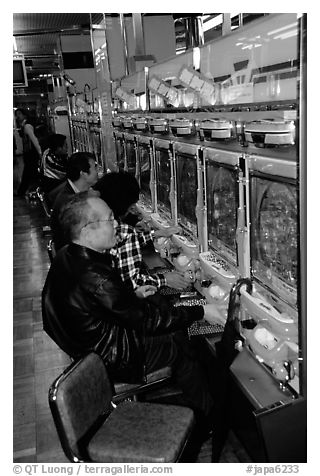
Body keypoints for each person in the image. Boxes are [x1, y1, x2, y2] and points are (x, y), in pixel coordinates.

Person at [42, 192, 225, 432]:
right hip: (110, 358)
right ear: (87, 232)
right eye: (110, 220)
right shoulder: (97, 276)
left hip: (86, 348)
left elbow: (97, 304)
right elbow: (148, 321)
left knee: (165, 315)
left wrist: (132, 296)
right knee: (180, 343)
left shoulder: (67, 255)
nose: (117, 223)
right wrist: (201, 312)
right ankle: (208, 420)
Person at [95, 171, 190, 291]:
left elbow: (119, 246)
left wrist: (155, 234)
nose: (133, 210)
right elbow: (131, 283)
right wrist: (165, 279)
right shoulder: (124, 232)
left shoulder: (95, 222)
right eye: (131, 206)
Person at [50, 152, 99, 250]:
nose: (98, 171)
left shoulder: (76, 191)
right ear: (83, 173)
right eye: (95, 167)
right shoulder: (69, 202)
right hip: (75, 256)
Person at [15, 108, 42, 197]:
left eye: (19, 114)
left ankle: (21, 192)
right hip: (29, 153)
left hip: (31, 153)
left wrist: (40, 152)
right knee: (32, 172)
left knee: (28, 173)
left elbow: (34, 140)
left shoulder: (27, 126)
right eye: (17, 114)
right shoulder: (23, 125)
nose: (18, 116)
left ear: (24, 115)